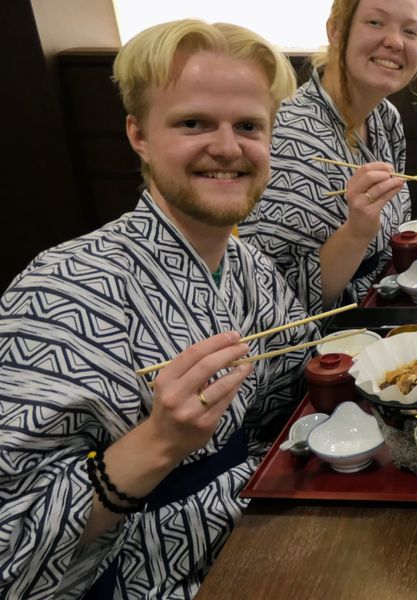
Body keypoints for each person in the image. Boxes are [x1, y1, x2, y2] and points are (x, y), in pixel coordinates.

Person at [0, 20, 314, 598]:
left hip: (256, 544)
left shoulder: (249, 266)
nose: (228, 147)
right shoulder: (60, 290)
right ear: (139, 134)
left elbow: (292, 399)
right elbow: (10, 544)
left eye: (249, 126)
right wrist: (159, 441)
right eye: (194, 123)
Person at [240, 0, 417, 314]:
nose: (395, 41)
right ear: (335, 29)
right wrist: (356, 232)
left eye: (410, 31)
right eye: (375, 22)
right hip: (327, 334)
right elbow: (271, 303)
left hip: (384, 305)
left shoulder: (385, 118)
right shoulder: (289, 138)